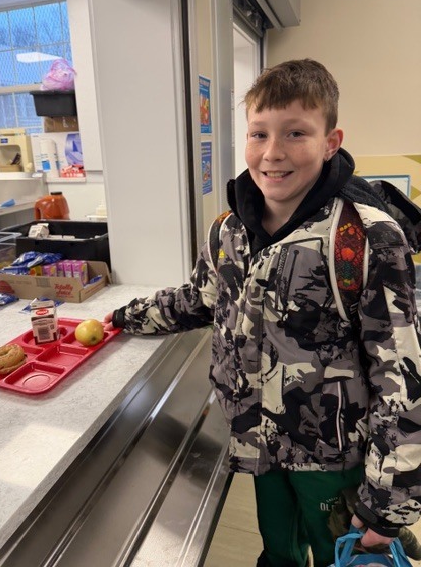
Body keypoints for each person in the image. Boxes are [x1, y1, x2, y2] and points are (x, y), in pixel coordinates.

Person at [104, 59, 421, 567]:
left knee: (341, 555)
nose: (273, 153)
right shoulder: (229, 228)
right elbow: (199, 299)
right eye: (259, 134)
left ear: (331, 141)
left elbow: (402, 375)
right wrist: (123, 317)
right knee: (279, 553)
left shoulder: (366, 237)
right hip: (260, 446)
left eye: (296, 133)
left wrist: (390, 504)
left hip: (334, 458)